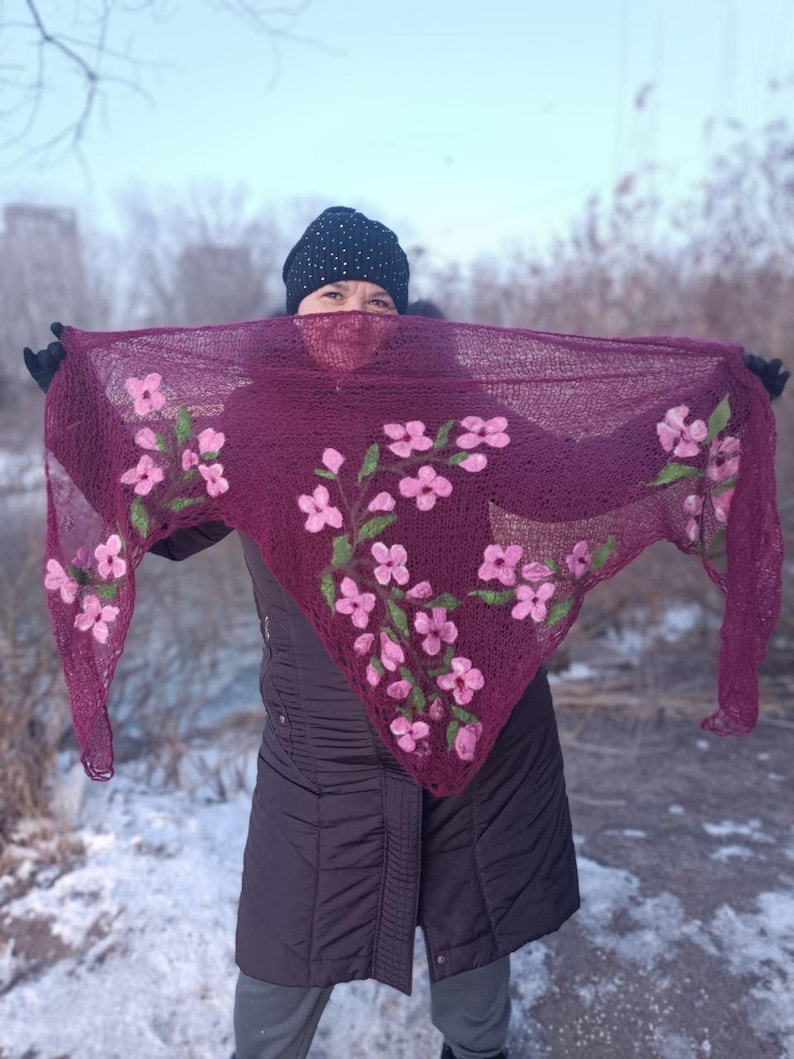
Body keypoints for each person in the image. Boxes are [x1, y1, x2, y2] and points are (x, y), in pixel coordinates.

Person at [24, 206, 788, 1059]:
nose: (357, 312)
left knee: (474, 972)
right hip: (320, 761)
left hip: (475, 725)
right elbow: (159, 523)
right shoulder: (249, 422)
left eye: (380, 295)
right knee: (274, 996)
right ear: (293, 306)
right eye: (332, 290)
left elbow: (573, 482)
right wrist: (84, 412)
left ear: (404, 312)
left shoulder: (456, 405)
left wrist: (719, 415)